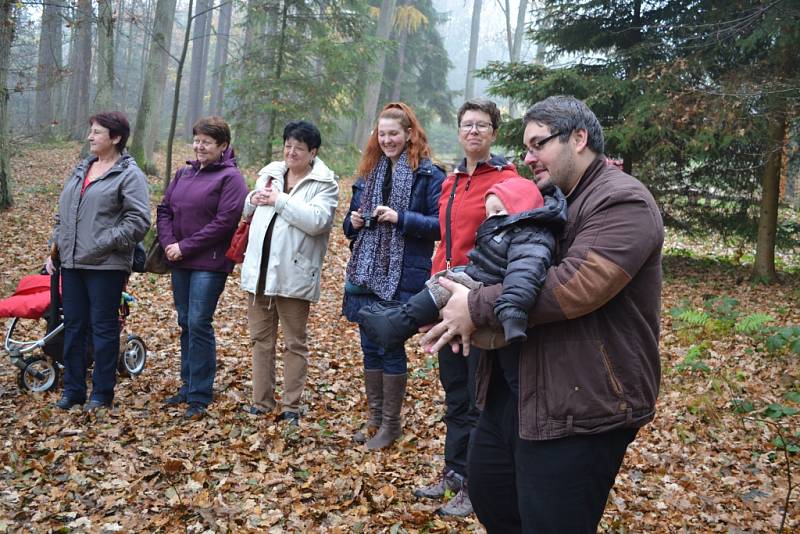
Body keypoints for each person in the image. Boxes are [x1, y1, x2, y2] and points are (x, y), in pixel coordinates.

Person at [420, 95, 664, 533]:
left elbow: (575, 286)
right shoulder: (548, 199)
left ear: (579, 139)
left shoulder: (623, 202)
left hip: (583, 403)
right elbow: (498, 261)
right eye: (527, 146)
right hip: (514, 392)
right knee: (493, 498)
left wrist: (474, 306)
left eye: (538, 145)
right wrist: (450, 294)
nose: (527, 157)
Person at [358, 177, 566, 351]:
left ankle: (397, 324)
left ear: (521, 208)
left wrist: (513, 311)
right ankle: (396, 319)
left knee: (443, 289)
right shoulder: (514, 231)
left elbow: (523, 274)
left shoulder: (531, 235)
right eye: (489, 214)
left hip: (488, 288)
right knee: (443, 285)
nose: (491, 219)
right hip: (480, 280)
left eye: (498, 212)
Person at [342, 102, 445, 450]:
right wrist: (353, 222)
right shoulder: (369, 173)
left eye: (393, 134)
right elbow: (347, 226)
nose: (387, 140)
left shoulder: (429, 175)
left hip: (403, 273)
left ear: (409, 134)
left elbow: (439, 227)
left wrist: (400, 217)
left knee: (389, 344)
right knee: (369, 345)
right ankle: (374, 419)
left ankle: (391, 424)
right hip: (366, 272)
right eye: (382, 134)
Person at [47, 111, 150, 411]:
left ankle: (102, 394)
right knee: (74, 326)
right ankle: (74, 391)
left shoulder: (129, 174)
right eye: (90, 131)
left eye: (97, 132)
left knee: (103, 329)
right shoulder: (82, 169)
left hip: (106, 266)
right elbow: (62, 213)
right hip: (73, 264)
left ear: (116, 138)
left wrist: (102, 244)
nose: (90, 137)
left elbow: (138, 220)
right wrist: (57, 246)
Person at [240, 120, 339, 427]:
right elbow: (247, 214)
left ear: (313, 152)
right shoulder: (270, 174)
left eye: (299, 147)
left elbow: (317, 222)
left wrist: (279, 200)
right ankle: (261, 401)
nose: (291, 152)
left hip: (294, 274)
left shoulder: (324, 184)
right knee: (260, 339)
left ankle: (291, 406)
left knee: (294, 342)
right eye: (287, 146)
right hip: (259, 270)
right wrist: (252, 200)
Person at [157, 116, 248, 419]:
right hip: (180, 259)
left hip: (209, 263)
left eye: (207, 142)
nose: (199, 146)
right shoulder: (183, 174)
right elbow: (165, 209)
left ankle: (200, 393)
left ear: (223, 145)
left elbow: (225, 222)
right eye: (197, 140)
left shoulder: (231, 178)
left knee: (198, 321)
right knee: (185, 321)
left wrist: (185, 246)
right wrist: (170, 242)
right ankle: (187, 385)